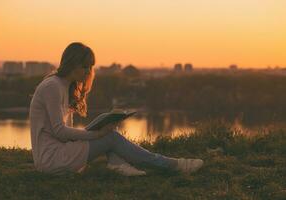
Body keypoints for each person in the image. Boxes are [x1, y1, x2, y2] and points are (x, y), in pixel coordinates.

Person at [29, 42, 204, 176]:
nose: (88, 71)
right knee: (110, 137)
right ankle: (174, 166)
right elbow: (59, 132)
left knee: (107, 121)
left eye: (90, 67)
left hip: (60, 151)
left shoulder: (65, 86)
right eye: (85, 66)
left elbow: (64, 133)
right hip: (51, 159)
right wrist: (96, 136)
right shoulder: (52, 87)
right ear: (72, 64)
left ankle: (117, 163)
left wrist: (97, 132)